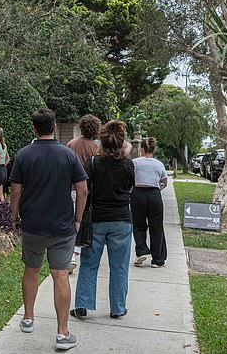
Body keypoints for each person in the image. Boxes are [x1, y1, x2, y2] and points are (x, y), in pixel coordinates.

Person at [10, 108, 88, 351]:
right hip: (62, 226)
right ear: (54, 127)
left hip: (32, 224)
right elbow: (82, 190)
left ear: (34, 129)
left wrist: (14, 218)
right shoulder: (68, 155)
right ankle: (62, 334)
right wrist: (77, 220)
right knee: (60, 275)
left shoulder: (23, 155)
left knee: (31, 269)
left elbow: (14, 191)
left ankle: (28, 318)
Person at [71, 120, 135, 321]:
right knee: (119, 266)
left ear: (102, 140)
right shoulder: (128, 164)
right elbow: (130, 189)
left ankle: (82, 305)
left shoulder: (92, 163)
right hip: (122, 219)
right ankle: (118, 307)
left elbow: (85, 190)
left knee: (89, 263)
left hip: (96, 219)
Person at [66, 115, 101, 274]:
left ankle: (71, 254)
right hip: (91, 190)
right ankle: (83, 250)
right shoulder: (97, 147)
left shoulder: (71, 144)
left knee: (73, 221)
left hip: (73, 188)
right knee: (85, 222)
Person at [131, 137, 168, 268]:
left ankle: (141, 250)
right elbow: (164, 182)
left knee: (138, 224)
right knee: (156, 226)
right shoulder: (159, 164)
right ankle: (158, 259)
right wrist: (157, 188)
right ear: (154, 149)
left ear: (141, 149)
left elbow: (129, 178)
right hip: (154, 195)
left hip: (138, 193)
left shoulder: (134, 162)